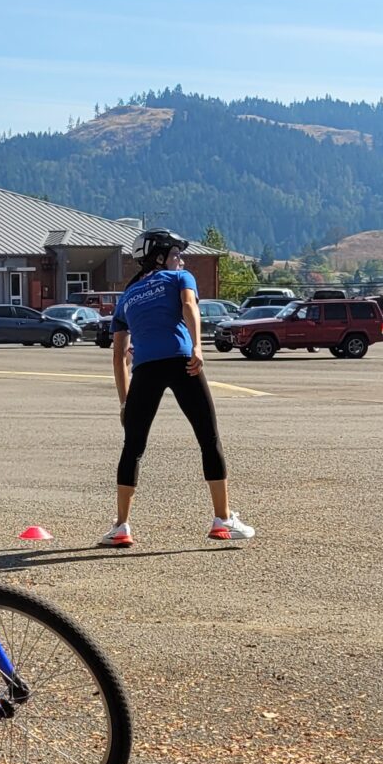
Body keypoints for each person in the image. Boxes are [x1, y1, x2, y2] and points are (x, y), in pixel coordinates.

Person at [100, 227, 252, 548]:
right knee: (208, 438)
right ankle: (222, 519)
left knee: (133, 446)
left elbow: (118, 357)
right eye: (175, 254)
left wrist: (125, 402)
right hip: (183, 362)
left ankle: (121, 526)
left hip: (145, 370)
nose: (181, 260)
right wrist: (197, 347)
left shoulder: (127, 296)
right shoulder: (180, 279)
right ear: (159, 257)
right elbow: (189, 308)